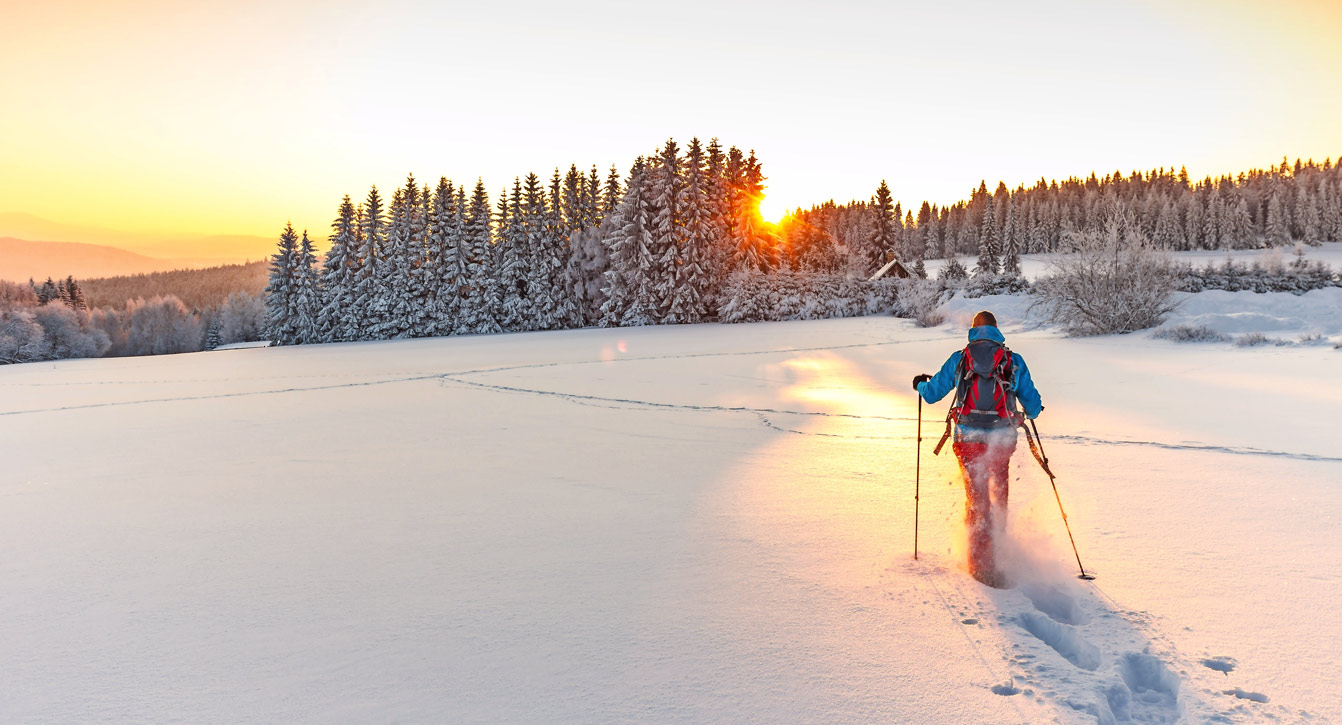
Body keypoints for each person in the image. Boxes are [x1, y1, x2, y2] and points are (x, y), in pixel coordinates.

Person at [912, 310, 1043, 588]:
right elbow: (1032, 405)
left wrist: (920, 385)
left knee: (977, 500)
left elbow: (933, 393)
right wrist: (1033, 410)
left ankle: (981, 565)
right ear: (996, 331)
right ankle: (999, 555)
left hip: (968, 441)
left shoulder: (961, 359)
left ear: (973, 330)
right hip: (1001, 442)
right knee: (999, 496)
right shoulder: (1012, 361)